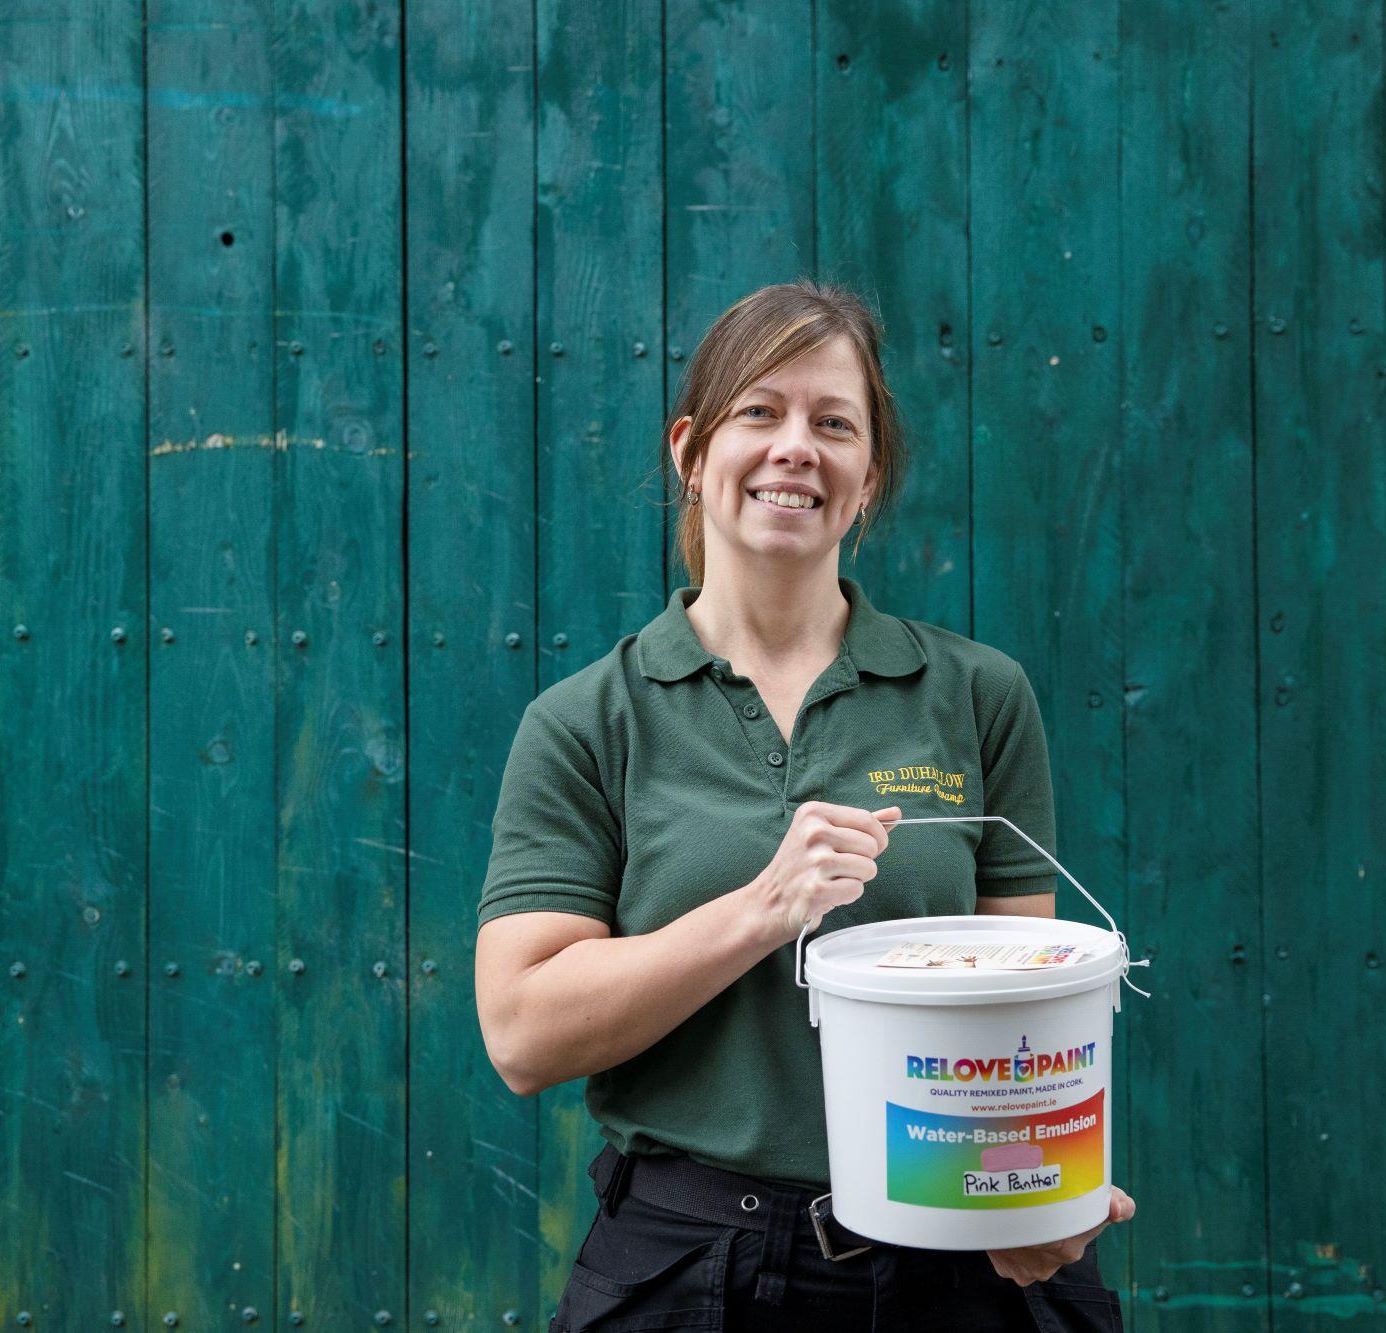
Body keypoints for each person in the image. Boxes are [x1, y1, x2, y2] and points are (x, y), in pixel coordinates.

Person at [474, 279, 1133, 1331]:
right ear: (692, 452)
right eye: (759, 411)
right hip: (690, 1270)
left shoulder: (975, 694)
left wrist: (1035, 1188)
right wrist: (763, 907)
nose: (796, 447)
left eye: (833, 423)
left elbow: (1023, 1010)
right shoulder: (587, 720)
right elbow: (520, 1032)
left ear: (867, 477)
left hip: (955, 1254)